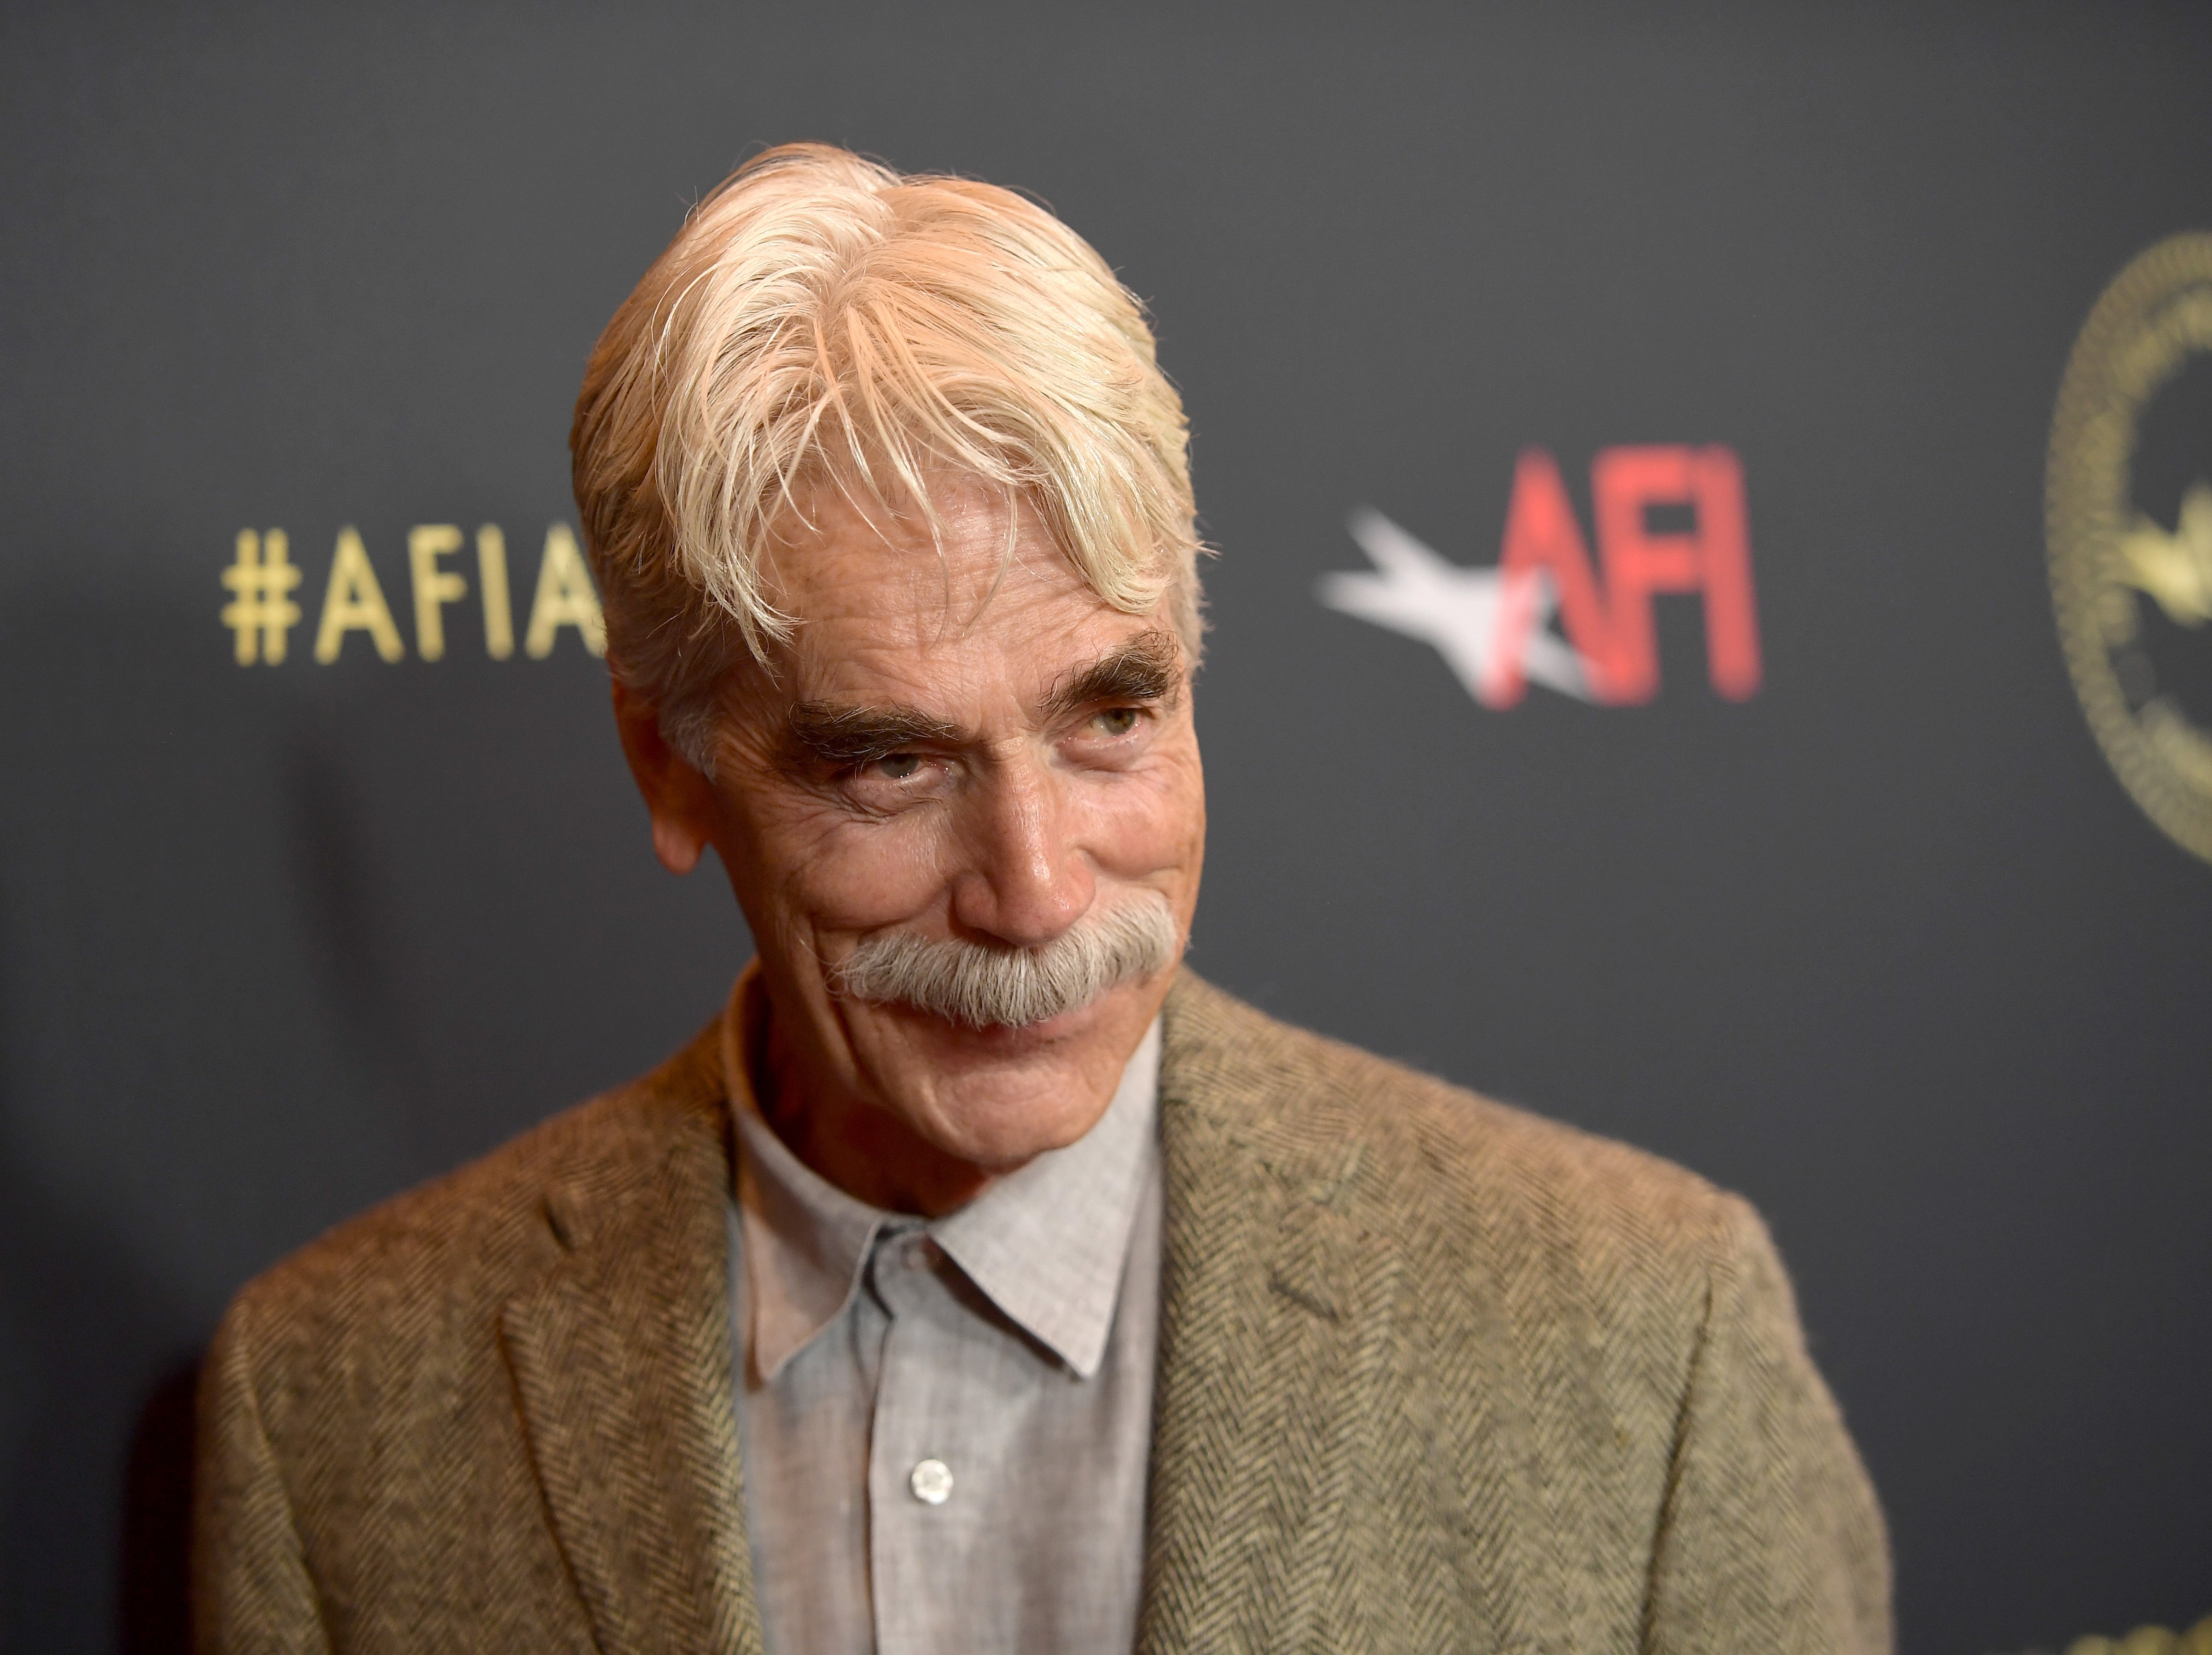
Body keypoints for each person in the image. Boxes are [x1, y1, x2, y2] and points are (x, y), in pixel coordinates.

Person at [194, 143, 1891, 1655]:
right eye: (891, 766)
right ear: (671, 766)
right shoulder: (335, 1411)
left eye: (1110, 717)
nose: (1040, 889)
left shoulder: (1645, 1336)